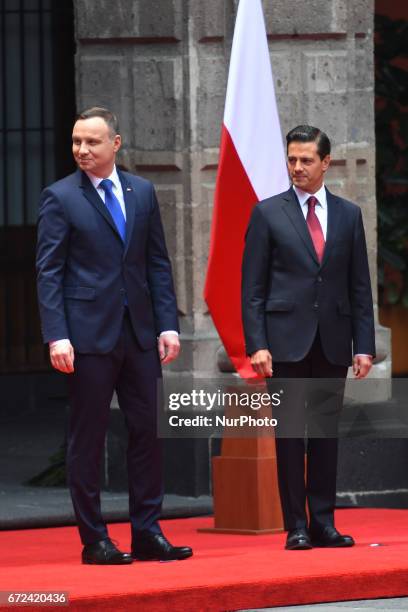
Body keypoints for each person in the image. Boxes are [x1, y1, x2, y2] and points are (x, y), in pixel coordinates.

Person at [36, 106, 192, 564]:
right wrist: (56, 335)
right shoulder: (60, 197)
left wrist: (168, 323)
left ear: (115, 144)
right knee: (89, 437)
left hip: (140, 333)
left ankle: (147, 531)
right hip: (86, 337)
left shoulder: (141, 192)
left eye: (92, 142)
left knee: (148, 431)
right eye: (76, 142)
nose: (82, 150)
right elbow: (49, 272)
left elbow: (157, 263)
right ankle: (94, 539)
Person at [241, 125, 375, 550]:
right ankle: (295, 525)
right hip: (284, 342)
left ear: (325, 163)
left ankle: (323, 522)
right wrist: (257, 344)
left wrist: (365, 345)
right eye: (292, 159)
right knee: (290, 436)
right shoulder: (267, 213)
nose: (296, 167)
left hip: (333, 341)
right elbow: (252, 288)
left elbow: (359, 286)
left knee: (324, 436)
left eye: (305, 160)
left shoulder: (348, 215)